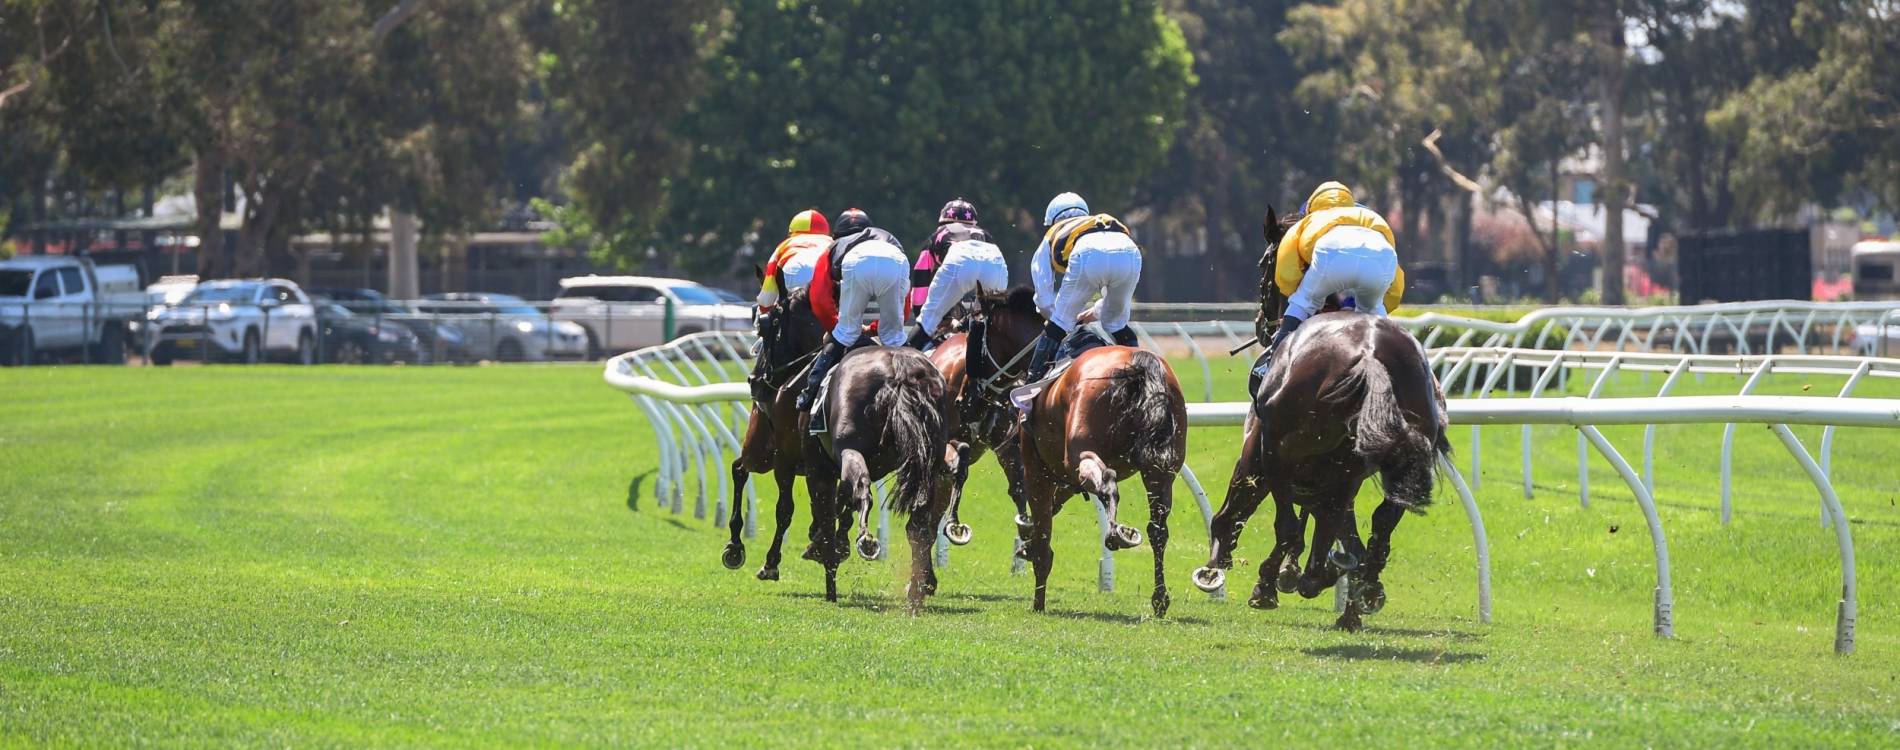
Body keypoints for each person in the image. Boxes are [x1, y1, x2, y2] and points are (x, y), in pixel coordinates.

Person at [1256, 181, 1405, 379]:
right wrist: (1358, 305)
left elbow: (1286, 275)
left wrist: (1302, 302)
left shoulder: (1307, 222)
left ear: (1311, 208)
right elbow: (1394, 290)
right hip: (1382, 257)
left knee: (1302, 302)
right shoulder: (1371, 218)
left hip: (1331, 254)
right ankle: (1404, 370)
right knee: (1378, 319)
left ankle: (1271, 365)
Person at [1023, 192, 1143, 381]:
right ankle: (1141, 374)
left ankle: (1030, 386)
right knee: (1116, 323)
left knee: (1060, 322)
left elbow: (1044, 300)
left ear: (1053, 220)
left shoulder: (1052, 234)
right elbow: (1111, 302)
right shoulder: (1096, 225)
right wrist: (1094, 312)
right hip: (1130, 250)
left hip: (1087, 253)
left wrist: (1063, 321)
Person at [798, 208, 909, 411]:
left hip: (856, 261)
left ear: (837, 235)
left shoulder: (834, 247)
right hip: (895, 258)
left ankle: (809, 394)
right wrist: (877, 328)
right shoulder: (888, 238)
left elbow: (820, 299)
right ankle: (927, 388)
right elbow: (905, 306)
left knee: (844, 333)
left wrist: (842, 329)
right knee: (895, 338)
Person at [903, 231, 1008, 350]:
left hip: (960, 256)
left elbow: (918, 298)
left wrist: (927, 317)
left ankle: (902, 363)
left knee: (927, 319)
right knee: (992, 318)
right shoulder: (984, 233)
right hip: (994, 256)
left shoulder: (939, 233)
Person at [908, 198, 985, 318]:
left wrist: (919, 314)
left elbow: (920, 281)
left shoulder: (933, 239)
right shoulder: (982, 234)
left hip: (953, 270)